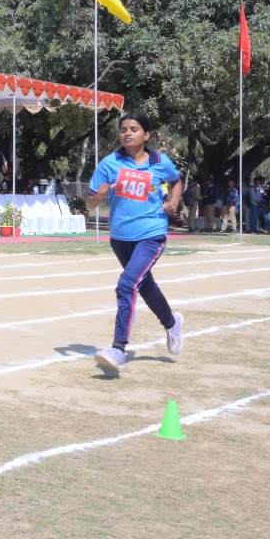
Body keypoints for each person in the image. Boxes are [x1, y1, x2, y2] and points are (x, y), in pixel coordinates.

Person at [86, 112, 184, 375]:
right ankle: (171, 322)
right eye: (123, 129)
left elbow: (176, 181)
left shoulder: (160, 162)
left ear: (146, 135)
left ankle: (118, 348)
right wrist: (99, 196)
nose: (127, 133)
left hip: (151, 233)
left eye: (134, 129)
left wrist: (174, 201)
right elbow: (90, 202)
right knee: (145, 286)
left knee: (127, 284)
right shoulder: (109, 164)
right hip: (120, 237)